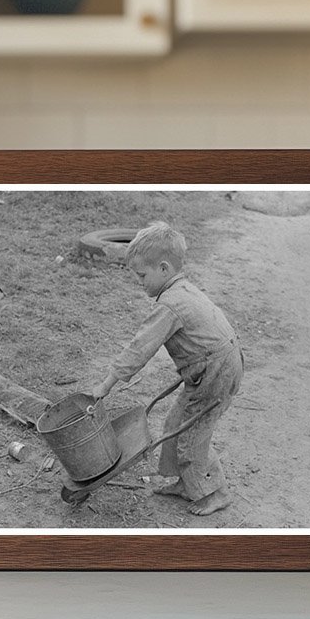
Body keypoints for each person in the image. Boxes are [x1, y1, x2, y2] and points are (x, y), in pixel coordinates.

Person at [90, 221, 244, 516]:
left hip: (216, 370)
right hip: (214, 365)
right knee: (176, 423)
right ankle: (189, 483)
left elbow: (139, 348)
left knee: (191, 433)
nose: (139, 282)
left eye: (142, 275)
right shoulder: (181, 289)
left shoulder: (170, 305)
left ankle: (215, 492)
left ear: (163, 269)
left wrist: (106, 384)